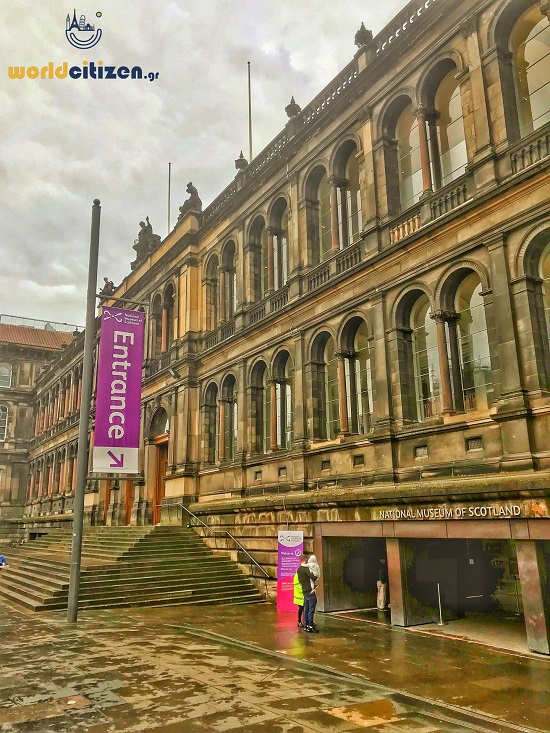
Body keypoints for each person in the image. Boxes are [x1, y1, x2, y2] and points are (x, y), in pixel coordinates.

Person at [297, 554, 318, 632]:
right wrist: (315, 575)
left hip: (304, 590)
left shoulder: (298, 570)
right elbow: (313, 577)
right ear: (305, 560)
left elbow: (299, 581)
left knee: (306, 608)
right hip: (310, 590)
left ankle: (306, 625)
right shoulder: (306, 569)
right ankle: (310, 625)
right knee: (311, 608)